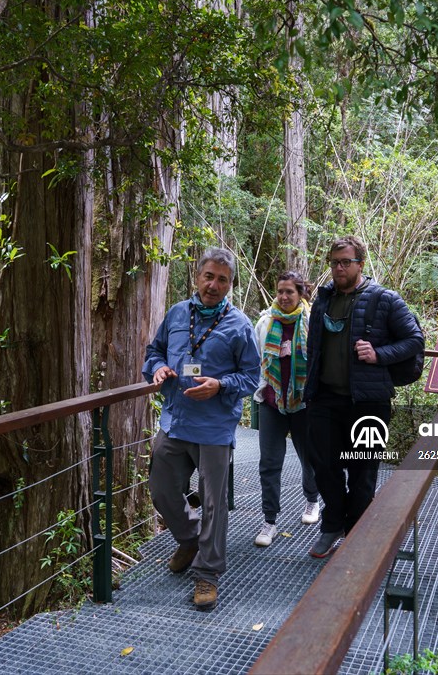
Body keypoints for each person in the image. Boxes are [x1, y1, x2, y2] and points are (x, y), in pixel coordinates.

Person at [143, 247, 260, 611]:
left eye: (222, 279)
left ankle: (207, 574)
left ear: (230, 285)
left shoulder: (239, 325)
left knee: (213, 503)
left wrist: (220, 385)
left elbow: (251, 377)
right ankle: (189, 539)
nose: (213, 284)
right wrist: (158, 368)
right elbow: (154, 352)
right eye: (208, 276)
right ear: (197, 276)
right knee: (162, 489)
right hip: (176, 421)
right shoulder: (178, 313)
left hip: (213, 426)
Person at [304, 236, 425, 558]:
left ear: (360, 263)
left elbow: (414, 339)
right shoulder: (324, 299)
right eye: (334, 262)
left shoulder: (384, 299)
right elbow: (314, 347)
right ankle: (333, 525)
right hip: (325, 399)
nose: (339, 268)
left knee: (362, 470)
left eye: (346, 262)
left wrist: (379, 354)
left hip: (368, 401)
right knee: (324, 466)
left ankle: (355, 535)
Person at [252, 271, 319, 547]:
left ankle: (312, 501)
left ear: (301, 293)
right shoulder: (266, 322)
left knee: (310, 457)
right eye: (280, 291)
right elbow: (256, 359)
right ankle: (269, 520)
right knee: (269, 462)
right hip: (272, 402)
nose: (283, 296)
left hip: (304, 403)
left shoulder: (313, 322)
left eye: (290, 291)